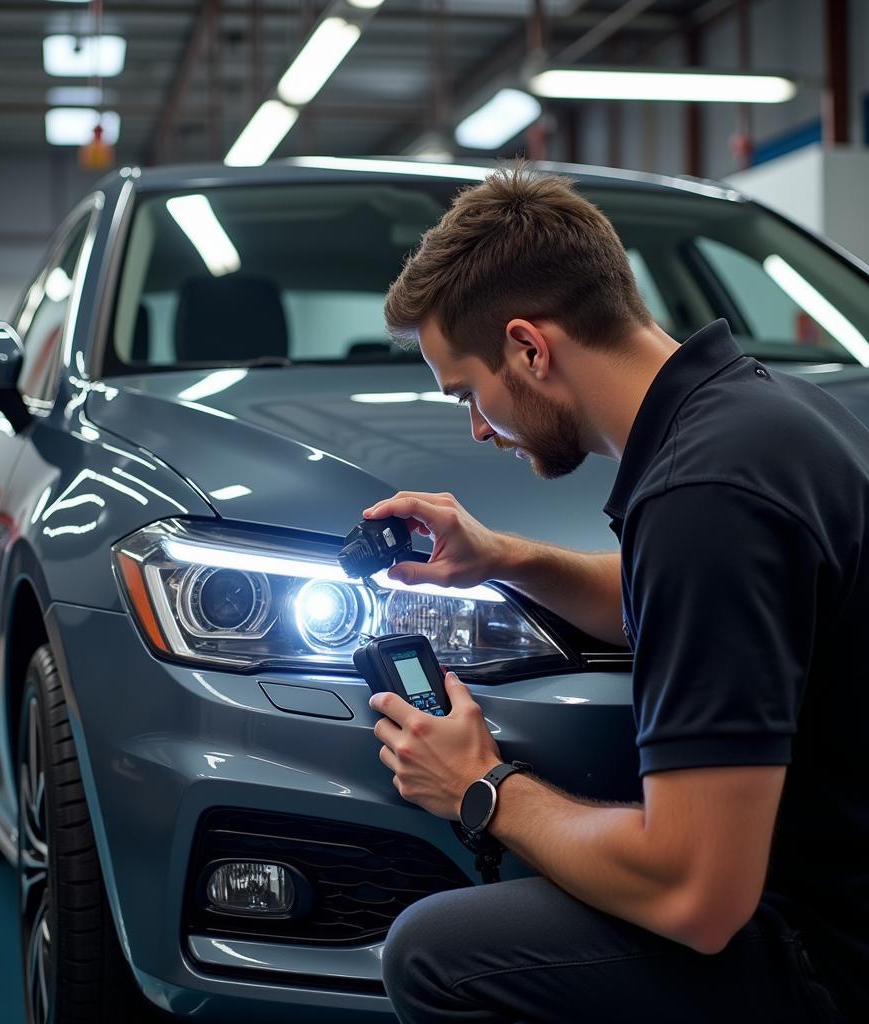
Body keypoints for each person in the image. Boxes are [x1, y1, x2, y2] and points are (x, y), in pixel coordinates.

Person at [363, 165, 865, 1023]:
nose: (479, 428)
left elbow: (694, 896)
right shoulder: (767, 413)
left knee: (433, 955)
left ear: (529, 348)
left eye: (470, 395)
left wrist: (485, 788)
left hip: (829, 953)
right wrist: (505, 557)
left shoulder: (701, 498)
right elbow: (666, 601)